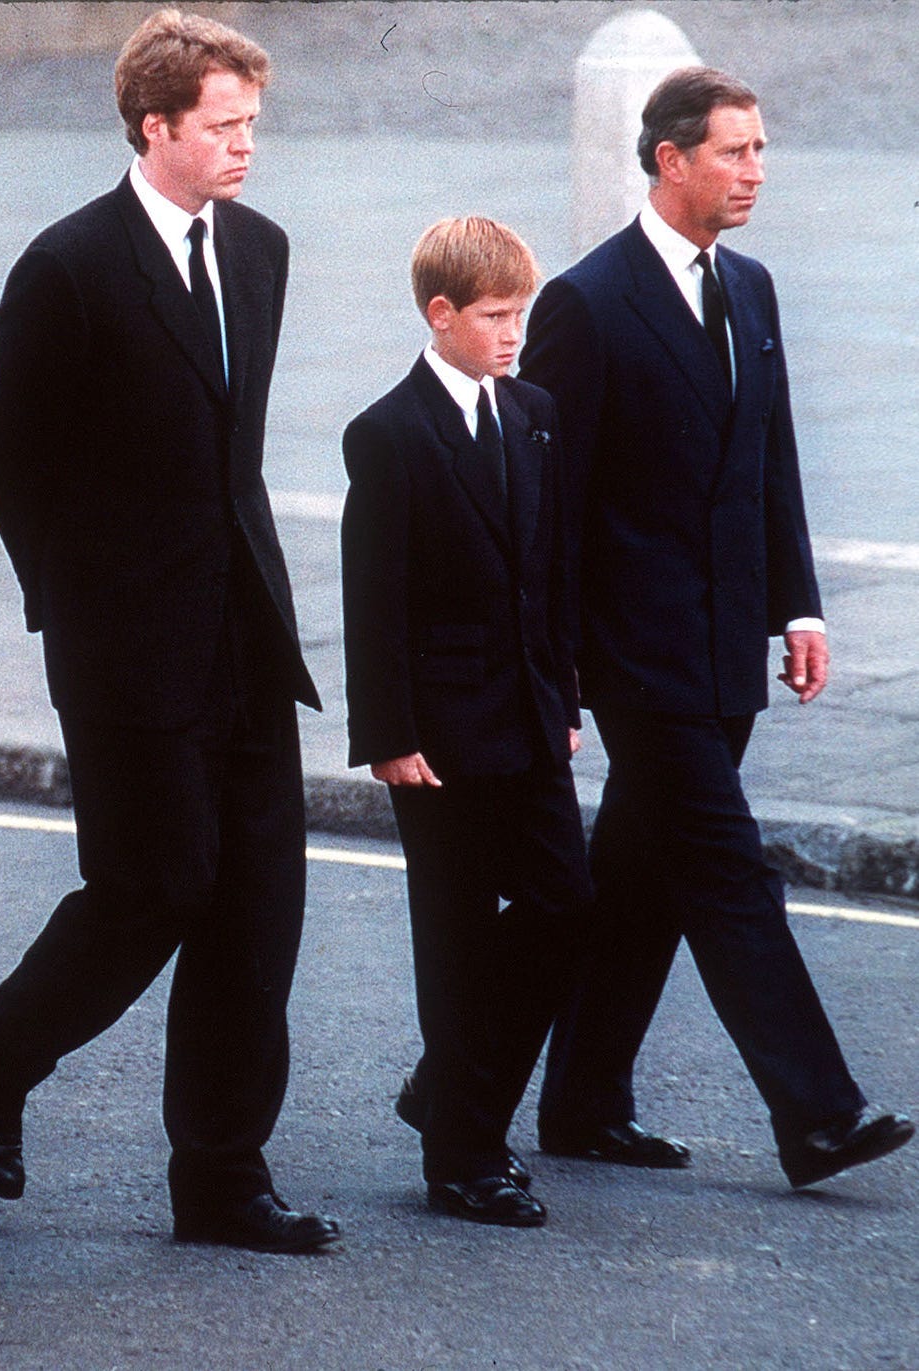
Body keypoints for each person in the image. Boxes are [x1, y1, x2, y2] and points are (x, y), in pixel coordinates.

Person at [0, 9, 337, 1255]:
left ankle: (221, 1178)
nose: (243, 147)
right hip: (123, 648)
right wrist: (76, 605)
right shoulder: (67, 266)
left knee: (258, 907)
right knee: (151, 888)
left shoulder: (262, 251)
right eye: (221, 127)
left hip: (243, 633)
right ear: (153, 126)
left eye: (250, 126)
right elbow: (10, 462)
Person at [522, 66, 912, 1187]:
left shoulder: (750, 287)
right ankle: (818, 1114)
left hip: (725, 641)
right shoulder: (587, 303)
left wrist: (796, 603)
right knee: (732, 872)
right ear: (669, 160)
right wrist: (556, 676)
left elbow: (767, 464)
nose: (754, 170)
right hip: (635, 662)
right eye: (734, 151)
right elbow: (550, 509)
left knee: (637, 887)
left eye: (759, 150)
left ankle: (570, 1101)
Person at [342, 218, 590, 1227]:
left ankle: (448, 1086)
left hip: (529, 718)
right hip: (436, 736)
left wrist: (564, 696)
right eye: (494, 315)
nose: (514, 332)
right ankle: (464, 1158)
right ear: (439, 315)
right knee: (450, 938)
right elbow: (376, 599)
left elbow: (552, 571)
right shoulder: (389, 433)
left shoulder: (533, 413)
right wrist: (388, 734)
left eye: (520, 312)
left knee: (565, 907)